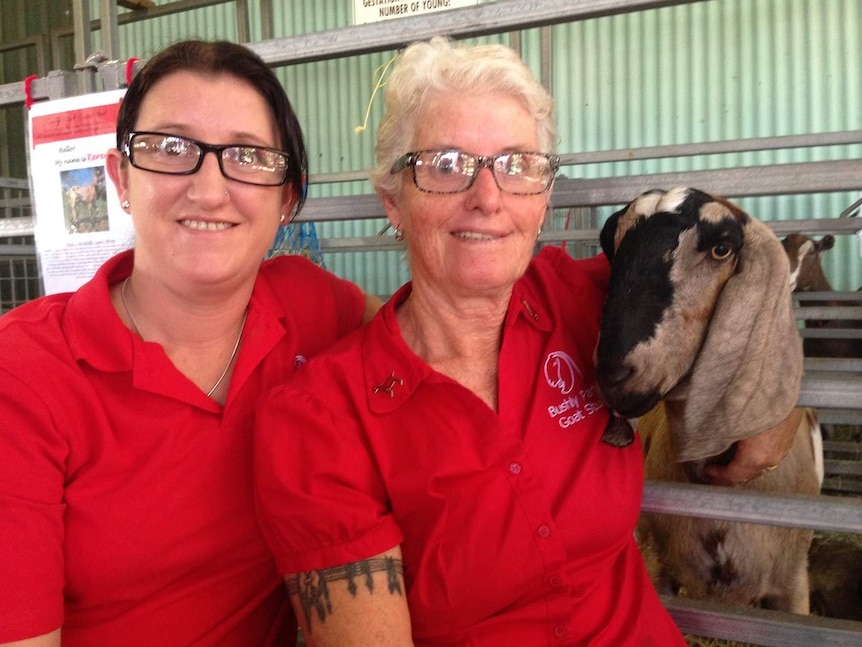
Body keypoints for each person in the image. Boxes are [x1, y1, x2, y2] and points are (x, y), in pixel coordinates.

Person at [252, 37, 802, 646]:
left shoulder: (596, 301)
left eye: (516, 166)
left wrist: (766, 416)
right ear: (393, 201)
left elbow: (738, 276)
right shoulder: (320, 420)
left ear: (542, 200)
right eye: (444, 165)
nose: (487, 198)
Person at [0, 40, 378, 647]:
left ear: (287, 197)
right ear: (120, 178)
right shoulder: (23, 375)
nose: (208, 189)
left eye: (248, 156)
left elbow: (434, 334)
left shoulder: (310, 307)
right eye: (171, 149)